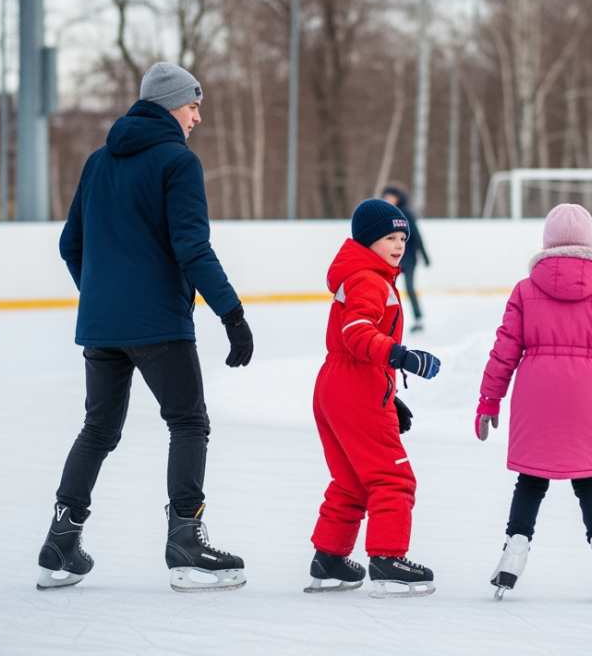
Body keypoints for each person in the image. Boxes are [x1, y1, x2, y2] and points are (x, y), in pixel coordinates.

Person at [38, 62, 255, 593]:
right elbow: (192, 247)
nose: (198, 118)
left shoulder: (97, 162)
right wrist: (232, 313)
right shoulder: (178, 163)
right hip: (159, 323)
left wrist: (101, 296)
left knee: (98, 430)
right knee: (188, 422)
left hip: (101, 327)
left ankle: (61, 541)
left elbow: (72, 245)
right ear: (168, 107)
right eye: (192, 106)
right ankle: (186, 540)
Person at [474, 203, 592, 602]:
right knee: (590, 482)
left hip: (535, 397)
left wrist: (489, 401)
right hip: (585, 400)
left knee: (531, 481)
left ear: (547, 243)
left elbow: (503, 351)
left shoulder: (525, 289)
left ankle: (512, 554)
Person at [306, 198, 442, 598]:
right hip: (356, 381)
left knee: (350, 480)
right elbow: (357, 333)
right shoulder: (369, 279)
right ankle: (387, 560)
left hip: (337, 384)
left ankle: (329, 558)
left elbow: (353, 343)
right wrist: (402, 357)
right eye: (389, 237)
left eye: (403, 237)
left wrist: (389, 395)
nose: (399, 245)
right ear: (368, 240)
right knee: (392, 477)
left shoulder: (362, 275)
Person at [379, 184, 429, 333]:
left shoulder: (406, 213)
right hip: (393, 259)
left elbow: (416, 234)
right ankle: (384, 321)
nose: (388, 199)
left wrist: (424, 255)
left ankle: (418, 318)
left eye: (391, 196)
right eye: (386, 196)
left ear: (398, 198)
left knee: (409, 288)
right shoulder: (385, 214)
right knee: (387, 290)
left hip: (409, 259)